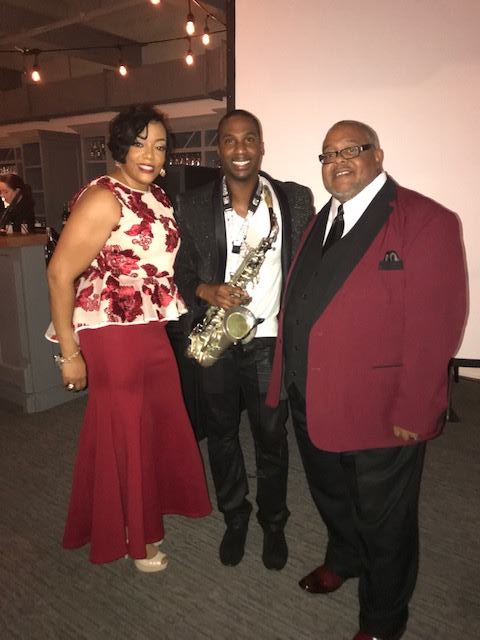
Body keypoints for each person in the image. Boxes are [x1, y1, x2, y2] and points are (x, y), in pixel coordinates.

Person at [266, 120, 467, 639]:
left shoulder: (426, 220)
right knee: (331, 496)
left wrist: (415, 409)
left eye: (350, 150)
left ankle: (383, 619)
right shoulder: (322, 219)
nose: (338, 161)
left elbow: (436, 325)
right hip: (311, 395)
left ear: (378, 155)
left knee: (386, 522)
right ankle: (345, 557)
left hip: (382, 411)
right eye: (328, 154)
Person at [46, 104, 211, 571]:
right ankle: (137, 539)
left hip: (149, 325)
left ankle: (130, 516)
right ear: (120, 147)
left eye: (158, 146)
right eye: (139, 144)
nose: (150, 155)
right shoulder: (104, 197)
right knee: (126, 425)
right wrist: (69, 354)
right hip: (111, 330)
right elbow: (59, 274)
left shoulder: (157, 196)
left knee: (147, 423)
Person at [174, 109, 314, 570]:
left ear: (261, 146)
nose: (240, 149)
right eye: (230, 140)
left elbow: (308, 267)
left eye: (249, 139)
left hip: (268, 338)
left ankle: (273, 522)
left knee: (271, 436)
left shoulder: (294, 199)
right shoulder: (193, 204)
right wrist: (206, 290)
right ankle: (235, 516)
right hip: (218, 337)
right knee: (220, 433)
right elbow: (181, 271)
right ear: (218, 147)